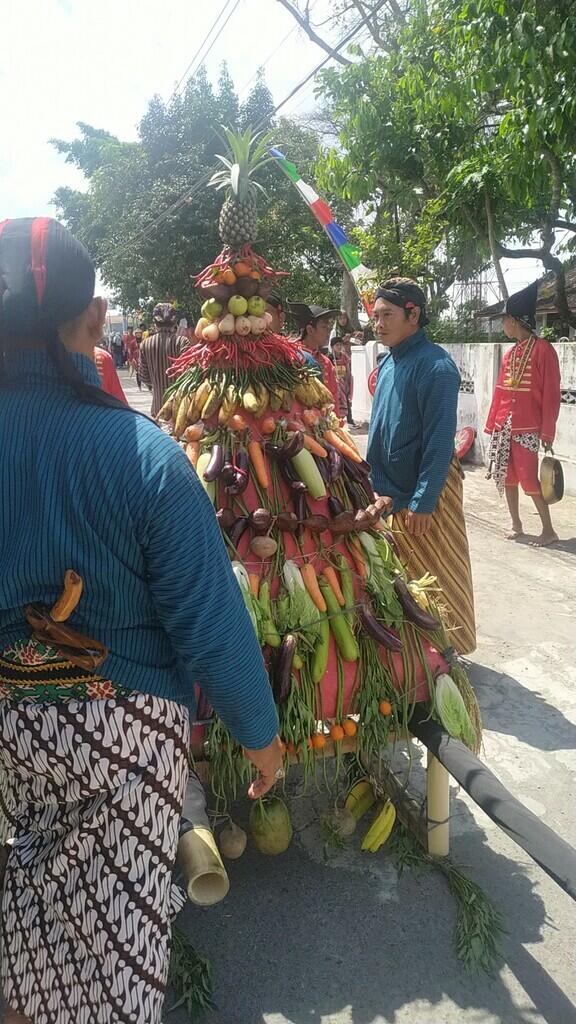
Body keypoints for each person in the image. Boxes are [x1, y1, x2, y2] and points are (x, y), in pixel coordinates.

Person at [0, 217, 282, 1024]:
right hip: (119, 738)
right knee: (107, 945)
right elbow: (209, 620)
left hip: (6, 732)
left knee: (27, 895)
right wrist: (259, 735)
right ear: (94, 325)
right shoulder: (144, 456)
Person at [367, 277, 476, 655]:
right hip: (390, 490)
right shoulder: (388, 363)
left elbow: (439, 441)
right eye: (375, 315)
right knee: (401, 581)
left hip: (426, 491)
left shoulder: (437, 367)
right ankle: (416, 656)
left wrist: (424, 500)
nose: (378, 323)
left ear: (413, 314)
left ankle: (448, 651)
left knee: (436, 578)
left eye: (387, 315)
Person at [485, 281, 561, 546]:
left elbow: (551, 395)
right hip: (504, 425)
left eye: (504, 320)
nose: (503, 325)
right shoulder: (511, 354)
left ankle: (548, 530)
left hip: (529, 427)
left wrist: (547, 431)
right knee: (507, 476)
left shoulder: (544, 350)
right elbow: (499, 391)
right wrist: (492, 423)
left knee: (529, 477)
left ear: (515, 321)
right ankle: (517, 524)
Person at [287, 302, 341, 415]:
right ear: (310, 330)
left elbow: (333, 397)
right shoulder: (288, 356)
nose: (329, 331)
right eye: (324, 327)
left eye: (329, 327)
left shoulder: (326, 362)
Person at [138, 302, 190, 416]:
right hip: (180, 410)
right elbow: (188, 374)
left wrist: (157, 383)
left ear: (155, 322)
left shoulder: (145, 344)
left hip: (157, 408)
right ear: (175, 322)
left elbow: (143, 377)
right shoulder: (182, 342)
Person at [329, 335, 354, 425]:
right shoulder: (329, 358)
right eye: (337, 345)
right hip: (335, 383)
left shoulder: (344, 357)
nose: (339, 347)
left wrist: (348, 383)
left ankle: (350, 420)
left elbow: (348, 370)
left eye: (340, 345)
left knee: (347, 401)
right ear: (332, 347)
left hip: (344, 383)